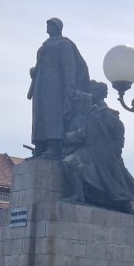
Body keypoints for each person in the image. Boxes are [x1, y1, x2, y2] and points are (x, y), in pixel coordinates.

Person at [60, 80, 134, 213]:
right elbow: (69, 138)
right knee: (69, 162)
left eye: (79, 101)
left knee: (116, 180)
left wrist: (117, 147)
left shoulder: (105, 115)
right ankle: (78, 195)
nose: (77, 104)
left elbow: (118, 129)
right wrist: (79, 134)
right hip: (87, 150)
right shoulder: (79, 118)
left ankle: (124, 203)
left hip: (105, 152)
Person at [27, 17, 90, 159]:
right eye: (47, 25)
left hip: (55, 84)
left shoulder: (64, 44)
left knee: (52, 114)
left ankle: (53, 145)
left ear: (57, 27)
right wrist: (34, 71)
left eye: (50, 25)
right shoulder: (44, 46)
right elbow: (40, 65)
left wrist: (70, 87)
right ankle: (40, 146)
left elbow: (69, 66)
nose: (47, 28)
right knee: (39, 115)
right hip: (41, 83)